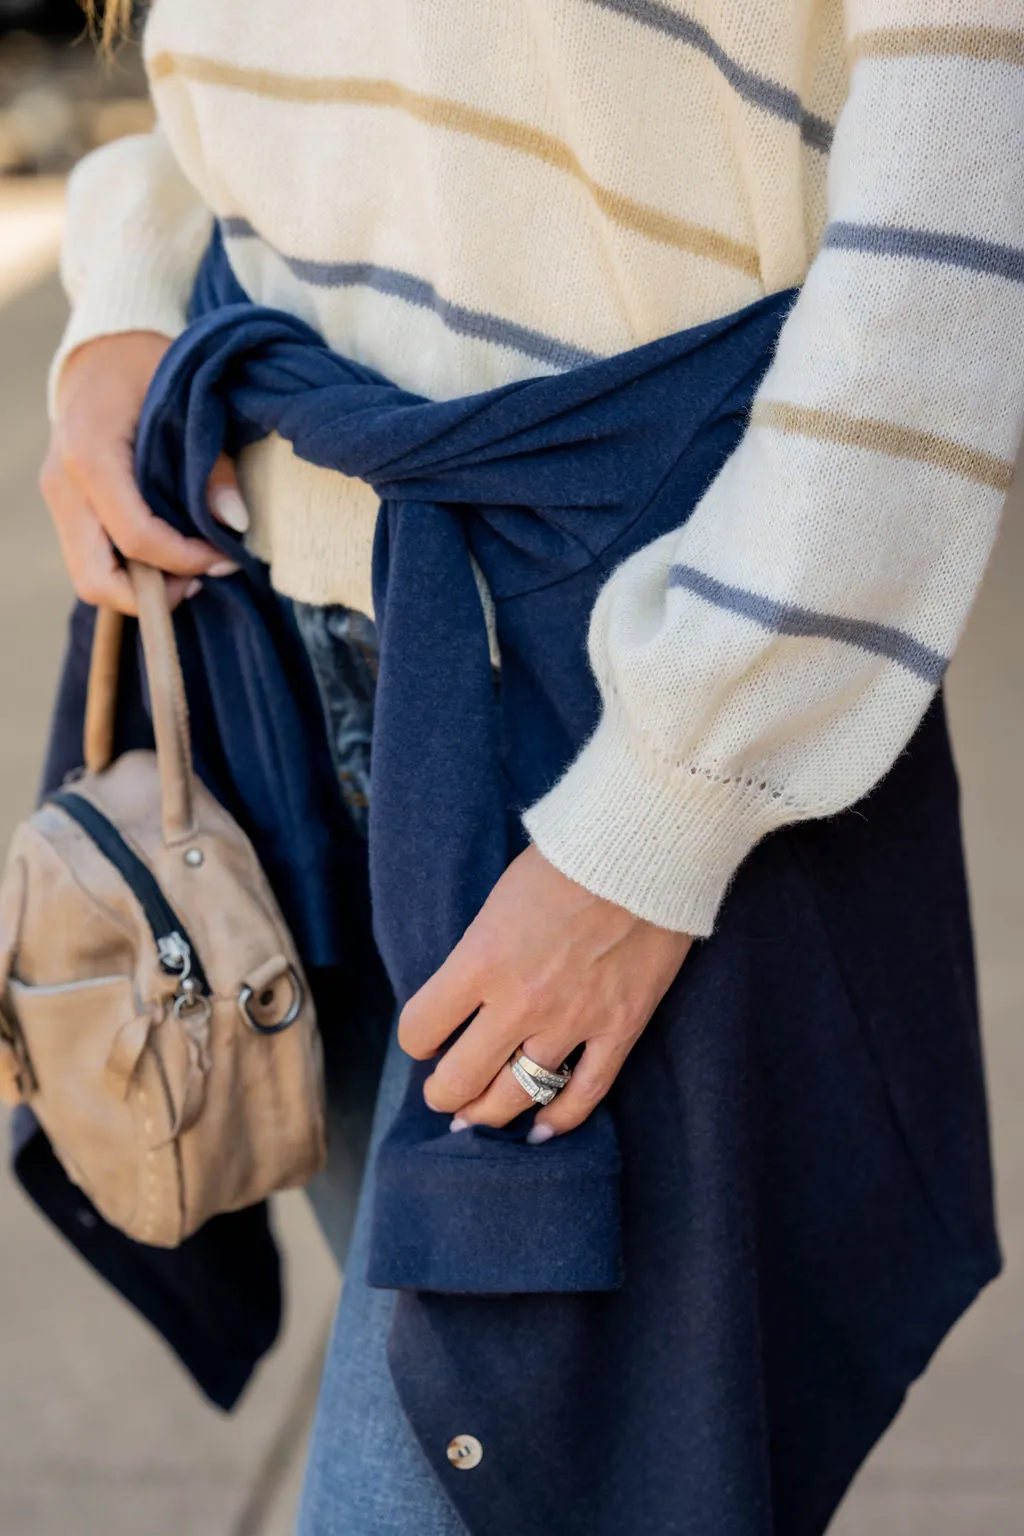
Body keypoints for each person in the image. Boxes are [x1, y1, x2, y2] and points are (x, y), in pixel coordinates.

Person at [38, 2, 1022, 1532]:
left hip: (618, 680)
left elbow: (948, 252)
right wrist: (124, 296)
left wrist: (658, 819)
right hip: (276, 653)